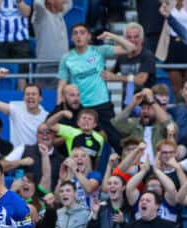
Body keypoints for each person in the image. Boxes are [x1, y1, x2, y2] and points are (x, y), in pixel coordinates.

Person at [57, 24, 136, 154]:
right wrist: (60, 106)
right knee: (75, 142)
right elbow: (62, 84)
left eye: (82, 33)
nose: (78, 36)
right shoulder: (67, 58)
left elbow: (130, 48)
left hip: (102, 104)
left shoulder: (99, 51)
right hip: (80, 107)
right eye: (75, 33)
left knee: (116, 140)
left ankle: (128, 168)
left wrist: (111, 36)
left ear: (88, 36)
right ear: (71, 38)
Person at [0, 68, 48, 147]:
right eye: (27, 94)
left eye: (33, 94)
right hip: (18, 157)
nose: (30, 97)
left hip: (38, 156)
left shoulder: (47, 117)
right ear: (23, 98)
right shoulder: (16, 110)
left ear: (40, 98)